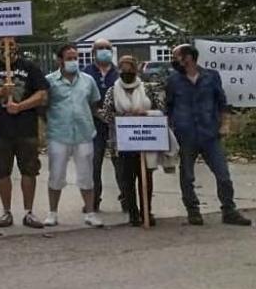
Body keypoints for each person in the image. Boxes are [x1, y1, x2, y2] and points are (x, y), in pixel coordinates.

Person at [165, 44, 251, 226]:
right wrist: (171, 129)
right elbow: (169, 107)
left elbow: (222, 102)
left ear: (188, 57)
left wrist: (225, 124)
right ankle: (193, 211)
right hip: (185, 134)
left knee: (223, 175)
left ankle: (229, 210)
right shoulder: (173, 80)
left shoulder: (211, 76)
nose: (173, 60)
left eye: (176, 56)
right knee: (187, 175)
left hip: (210, 134)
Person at [0, 37, 49, 228]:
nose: (7, 49)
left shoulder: (30, 67)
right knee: (1, 171)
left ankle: (29, 212)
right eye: (3, 45)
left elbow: (42, 94)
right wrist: (0, 92)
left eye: (10, 45)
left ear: (17, 46)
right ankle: (6, 211)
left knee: (29, 170)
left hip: (26, 129)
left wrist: (20, 106)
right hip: (0, 130)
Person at [98, 55, 167, 226]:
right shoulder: (112, 91)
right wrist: (123, 117)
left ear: (136, 70)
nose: (127, 73)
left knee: (146, 177)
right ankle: (133, 213)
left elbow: (161, 110)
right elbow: (106, 115)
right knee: (127, 179)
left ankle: (146, 211)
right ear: (119, 71)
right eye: (123, 70)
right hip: (122, 142)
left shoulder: (148, 89)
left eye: (130, 69)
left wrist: (145, 113)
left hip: (146, 140)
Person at [44, 44, 104, 228]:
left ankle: (90, 212)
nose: (73, 61)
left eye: (75, 57)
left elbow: (95, 105)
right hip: (58, 134)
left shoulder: (88, 80)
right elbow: (43, 106)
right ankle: (52, 213)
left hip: (84, 133)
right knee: (56, 175)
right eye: (69, 58)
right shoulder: (49, 81)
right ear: (59, 60)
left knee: (87, 175)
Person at [82, 39, 119, 211]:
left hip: (116, 125)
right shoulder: (86, 73)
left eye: (107, 48)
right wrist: (97, 112)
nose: (104, 51)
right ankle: (93, 201)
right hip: (93, 124)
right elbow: (82, 97)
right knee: (93, 164)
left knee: (121, 164)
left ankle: (127, 199)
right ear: (93, 53)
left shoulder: (118, 72)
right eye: (100, 48)